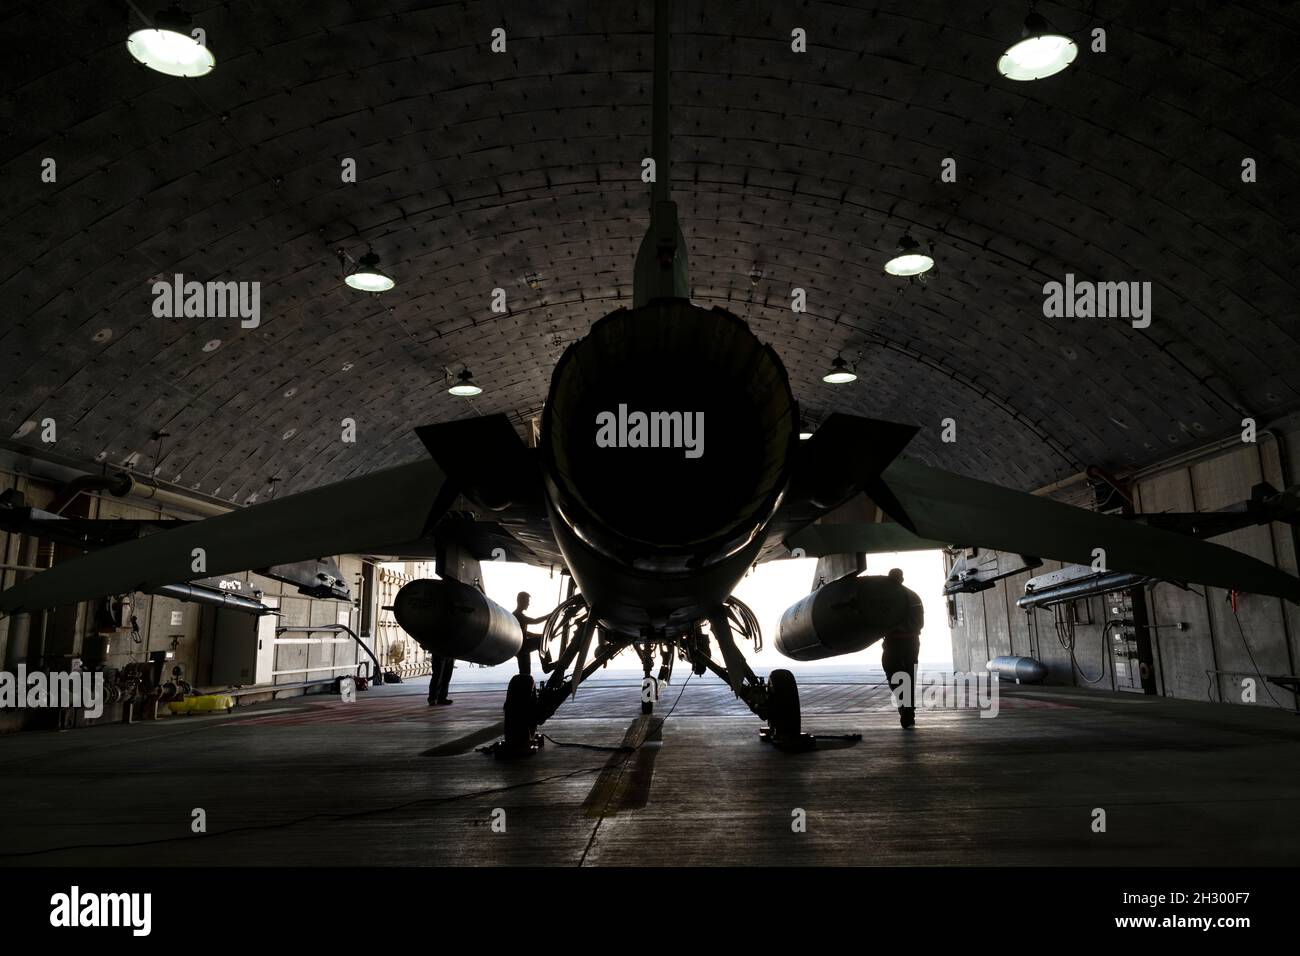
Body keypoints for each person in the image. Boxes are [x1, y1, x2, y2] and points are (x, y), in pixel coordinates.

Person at [882, 567, 923, 728]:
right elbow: (920, 622)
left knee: (892, 671)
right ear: (902, 579)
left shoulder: (886, 598)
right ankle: (908, 711)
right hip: (913, 641)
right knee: (910, 676)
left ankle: (904, 705)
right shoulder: (914, 596)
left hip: (894, 642)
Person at [513, 592, 551, 677]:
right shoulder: (518, 616)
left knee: (525, 673)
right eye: (527, 601)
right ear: (521, 601)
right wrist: (549, 616)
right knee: (541, 640)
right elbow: (535, 621)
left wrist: (538, 635)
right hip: (523, 647)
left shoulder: (516, 615)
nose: (528, 604)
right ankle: (547, 665)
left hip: (521, 648)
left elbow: (524, 633)